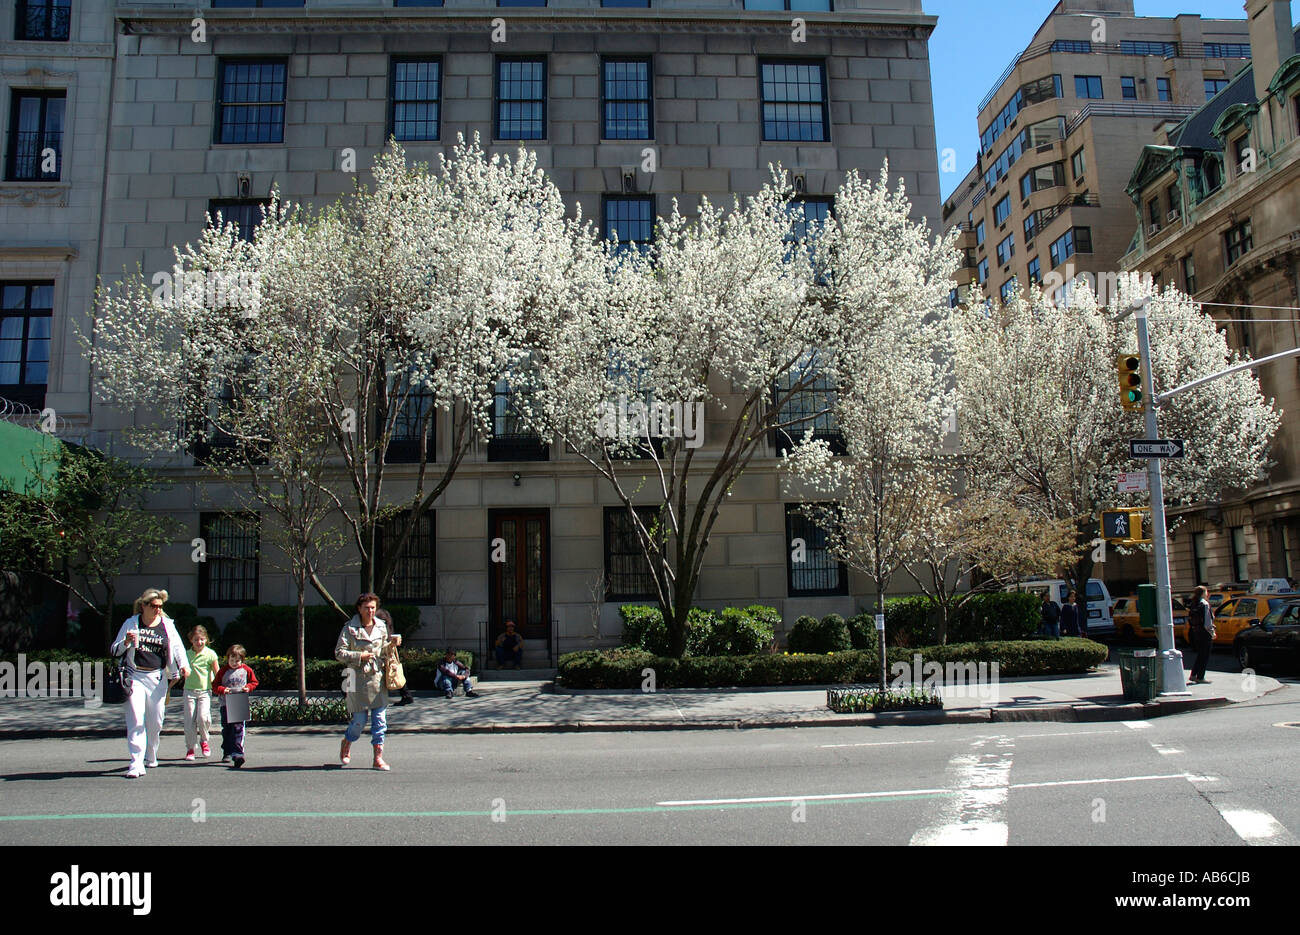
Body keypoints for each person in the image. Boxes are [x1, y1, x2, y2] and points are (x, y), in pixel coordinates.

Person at [110, 588, 190, 779]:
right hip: (135, 676)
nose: (158, 610)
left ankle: (151, 752)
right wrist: (127, 643)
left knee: (155, 721)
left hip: (157, 678)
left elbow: (177, 647)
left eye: (160, 606)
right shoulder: (131, 623)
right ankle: (136, 762)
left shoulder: (167, 625)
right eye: (154, 606)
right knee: (136, 719)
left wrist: (184, 666)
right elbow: (114, 650)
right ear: (143, 606)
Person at [336, 593, 402, 770]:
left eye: (373, 607)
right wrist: (359, 656)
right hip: (355, 679)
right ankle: (347, 742)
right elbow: (339, 653)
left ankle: (378, 758)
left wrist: (393, 644)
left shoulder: (381, 626)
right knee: (359, 722)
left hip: (377, 678)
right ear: (359, 608)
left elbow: (383, 650)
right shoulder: (349, 628)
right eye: (367, 608)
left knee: (380, 720)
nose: (370, 611)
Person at [214, 644, 258, 768]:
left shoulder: (246, 670)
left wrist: (247, 688)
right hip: (226, 703)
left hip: (239, 701)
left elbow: (254, 682)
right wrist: (223, 689)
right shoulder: (223, 671)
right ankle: (227, 751)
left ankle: (238, 753)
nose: (234, 663)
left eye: (237, 660)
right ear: (227, 659)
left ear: (242, 660)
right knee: (227, 729)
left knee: (238, 728)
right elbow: (215, 685)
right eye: (231, 660)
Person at [183, 624, 221, 760]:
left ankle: (204, 740)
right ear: (191, 640)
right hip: (189, 691)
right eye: (196, 640)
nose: (199, 642)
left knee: (203, 718)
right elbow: (180, 669)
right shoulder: (186, 654)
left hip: (205, 691)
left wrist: (220, 688)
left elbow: (217, 672)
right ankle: (190, 748)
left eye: (202, 639)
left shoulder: (210, 654)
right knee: (189, 721)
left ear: (206, 640)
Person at [377, 607, 413, 707]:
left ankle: (405, 694)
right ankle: (406, 694)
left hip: (384, 651)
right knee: (393, 672)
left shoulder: (379, 618)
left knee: (391, 672)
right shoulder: (384, 615)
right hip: (388, 650)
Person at [1187, 585, 1215, 685]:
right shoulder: (1205, 604)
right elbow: (1207, 622)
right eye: (1206, 591)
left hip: (1196, 631)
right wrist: (1212, 632)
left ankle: (1194, 674)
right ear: (1203, 593)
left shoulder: (1194, 603)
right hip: (1205, 632)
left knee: (1200, 654)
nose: (1207, 593)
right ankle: (1200, 677)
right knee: (1204, 655)